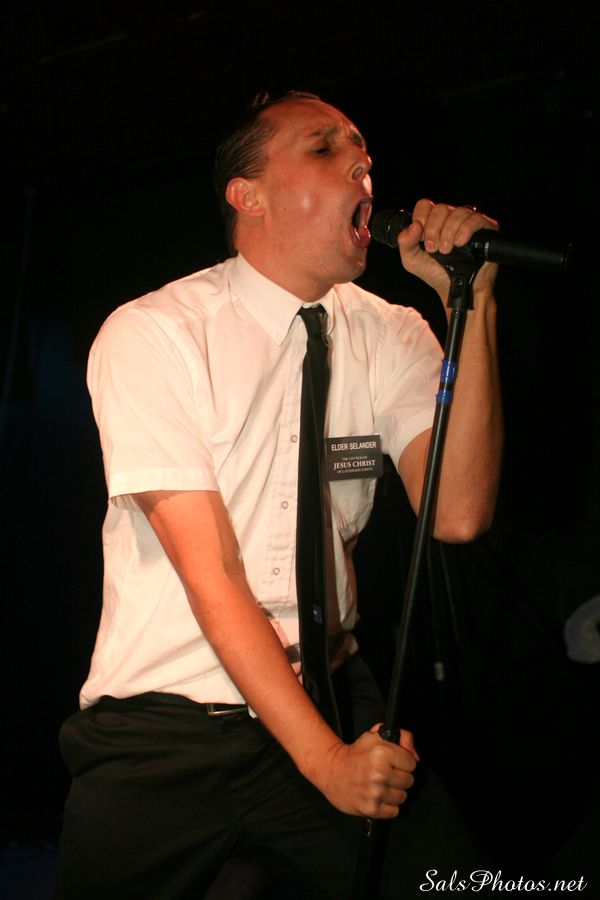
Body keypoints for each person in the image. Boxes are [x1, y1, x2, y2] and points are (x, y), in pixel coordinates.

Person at [53, 92, 503, 899]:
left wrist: (471, 304)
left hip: (329, 695)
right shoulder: (156, 333)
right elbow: (213, 574)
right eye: (325, 149)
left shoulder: (391, 331)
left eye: (364, 152)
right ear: (248, 195)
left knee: (459, 884)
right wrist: (325, 762)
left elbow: (458, 512)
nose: (361, 164)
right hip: (169, 729)